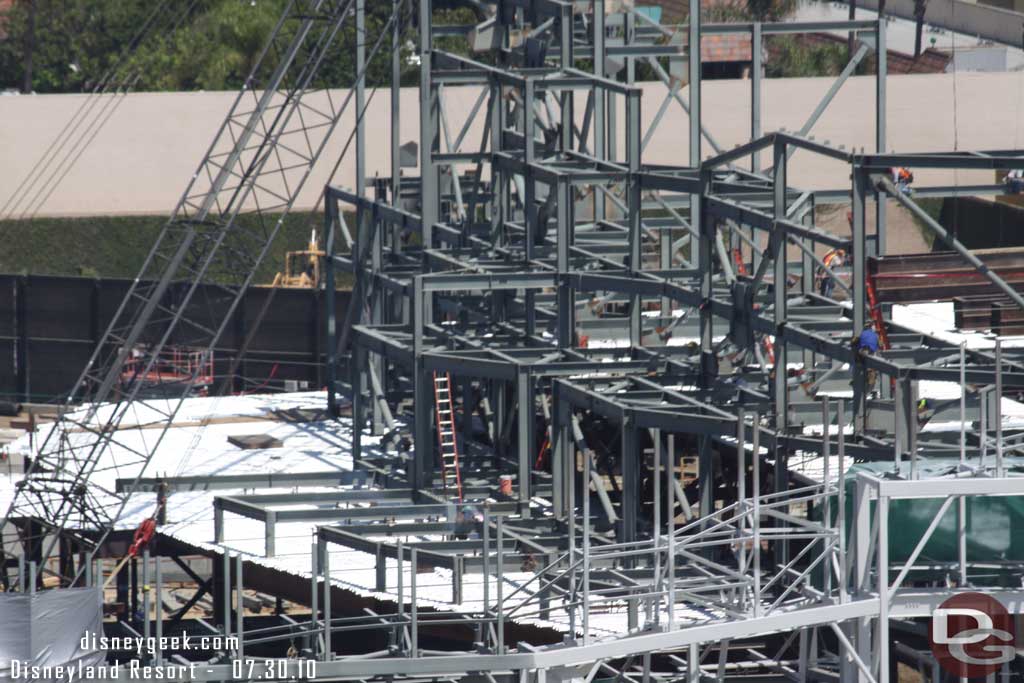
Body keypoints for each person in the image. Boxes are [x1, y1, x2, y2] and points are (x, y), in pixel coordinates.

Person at [855, 321, 880, 397]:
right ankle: (866, 391)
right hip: (871, 356)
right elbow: (880, 345)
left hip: (862, 356)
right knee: (872, 374)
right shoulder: (875, 335)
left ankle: (860, 385)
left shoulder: (862, 334)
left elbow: (854, 343)